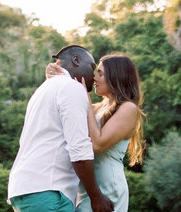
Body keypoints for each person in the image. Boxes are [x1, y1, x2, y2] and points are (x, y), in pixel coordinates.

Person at [8, 45, 114, 212]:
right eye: (92, 68)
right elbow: (79, 148)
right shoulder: (71, 87)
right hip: (48, 191)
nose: (94, 77)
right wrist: (96, 197)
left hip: (27, 190)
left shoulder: (43, 89)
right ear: (76, 61)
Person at [45, 52, 144, 212]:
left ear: (116, 77)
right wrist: (56, 77)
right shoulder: (97, 108)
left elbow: (97, 144)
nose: (94, 78)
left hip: (108, 189)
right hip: (86, 191)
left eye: (100, 74)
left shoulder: (128, 108)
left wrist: (86, 96)